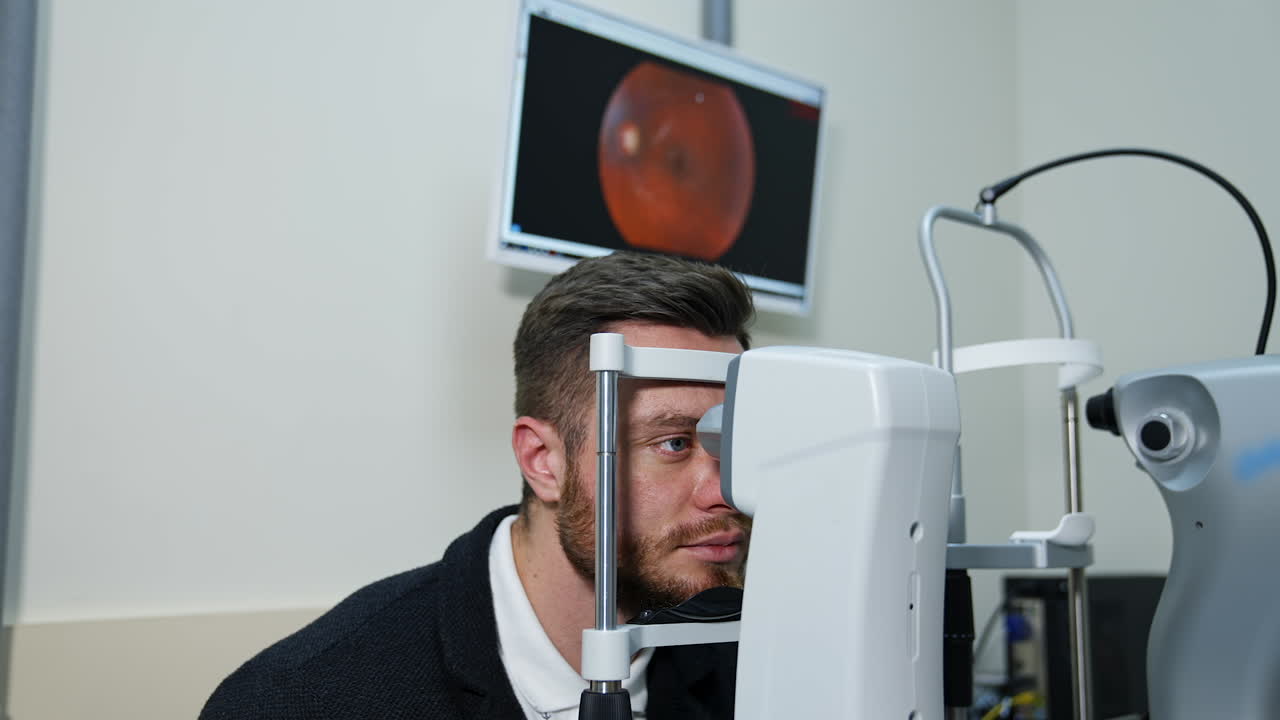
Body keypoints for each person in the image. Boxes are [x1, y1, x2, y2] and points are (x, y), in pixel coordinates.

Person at [200, 251, 756, 720]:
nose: (727, 491)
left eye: (733, 444)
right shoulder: (307, 699)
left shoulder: (746, 663)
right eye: (674, 444)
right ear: (543, 461)